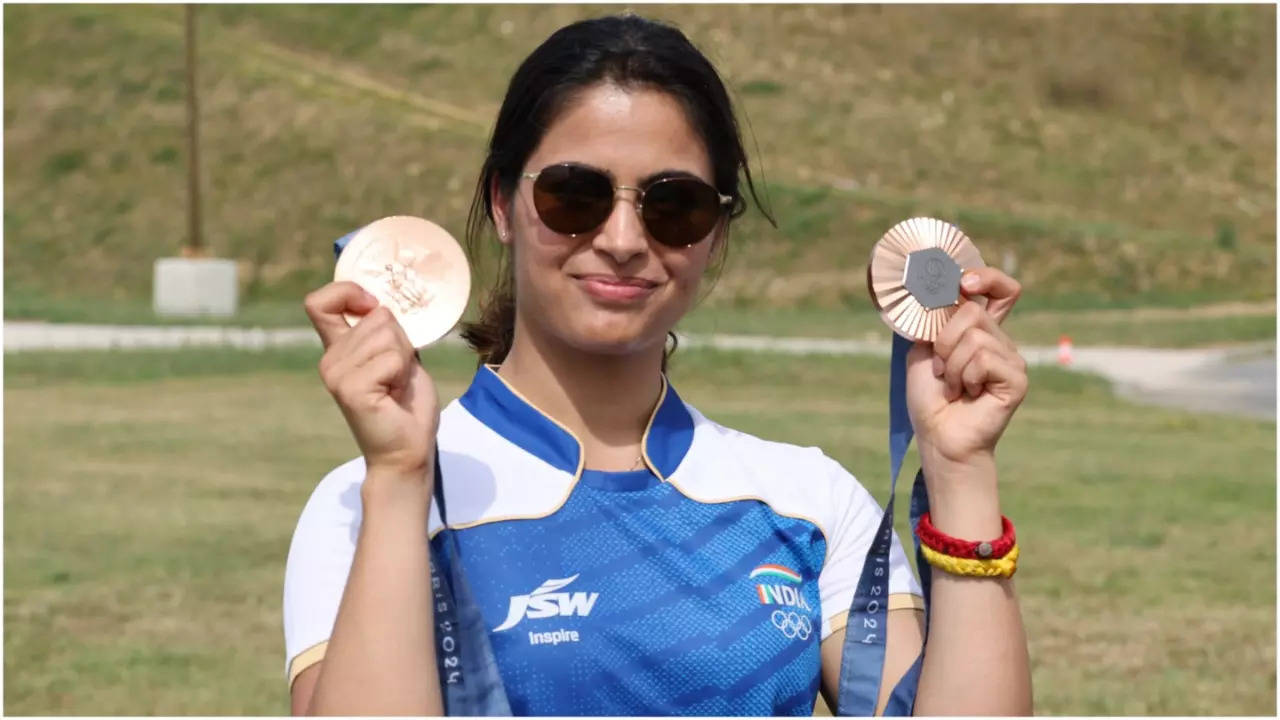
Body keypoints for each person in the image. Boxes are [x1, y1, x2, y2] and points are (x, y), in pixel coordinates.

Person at [284, 13, 1032, 717]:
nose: (622, 238)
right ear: (504, 204)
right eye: (574, 194)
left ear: (715, 233)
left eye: (673, 205)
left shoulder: (805, 502)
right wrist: (400, 479)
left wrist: (961, 469)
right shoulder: (370, 500)